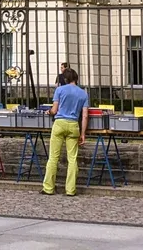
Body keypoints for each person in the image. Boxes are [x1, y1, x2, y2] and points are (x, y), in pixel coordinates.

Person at [42, 68, 89, 196]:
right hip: (74, 125)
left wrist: (49, 112)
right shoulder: (83, 94)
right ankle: (70, 190)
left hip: (59, 123)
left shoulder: (60, 90)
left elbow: (54, 110)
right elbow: (85, 116)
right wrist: (83, 133)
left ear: (66, 79)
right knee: (72, 159)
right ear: (76, 78)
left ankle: (48, 188)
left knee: (53, 157)